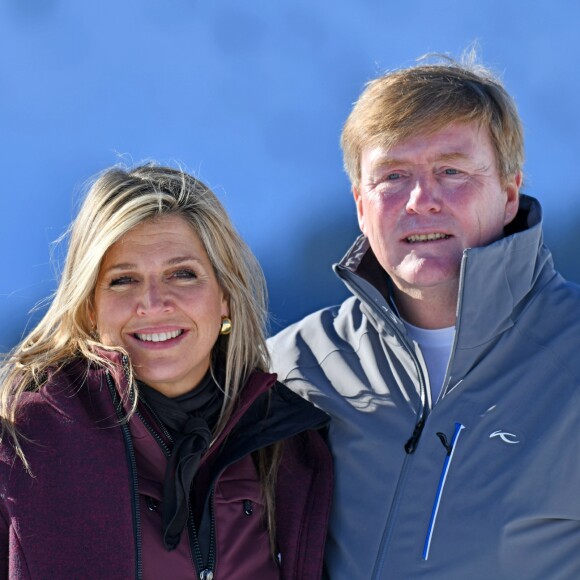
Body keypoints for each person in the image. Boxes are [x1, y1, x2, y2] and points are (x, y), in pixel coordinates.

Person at [269, 54, 580, 579]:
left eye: (451, 171)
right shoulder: (294, 367)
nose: (421, 200)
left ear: (509, 193)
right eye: (393, 176)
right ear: (361, 205)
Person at [0, 164, 332, 579]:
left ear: (225, 296)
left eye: (182, 274)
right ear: (89, 306)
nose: (154, 303)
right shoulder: (24, 444)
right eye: (123, 280)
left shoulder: (291, 447)